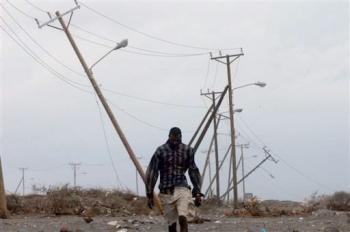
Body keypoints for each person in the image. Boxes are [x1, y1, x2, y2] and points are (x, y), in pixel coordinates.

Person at [145, 127, 204, 232]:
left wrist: (197, 191)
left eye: (178, 137)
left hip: (182, 189)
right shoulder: (161, 151)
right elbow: (152, 172)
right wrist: (149, 194)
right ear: (169, 136)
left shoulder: (187, 151)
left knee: (183, 218)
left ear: (181, 137)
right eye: (173, 137)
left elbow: (193, 171)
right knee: (172, 224)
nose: (175, 140)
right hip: (166, 192)